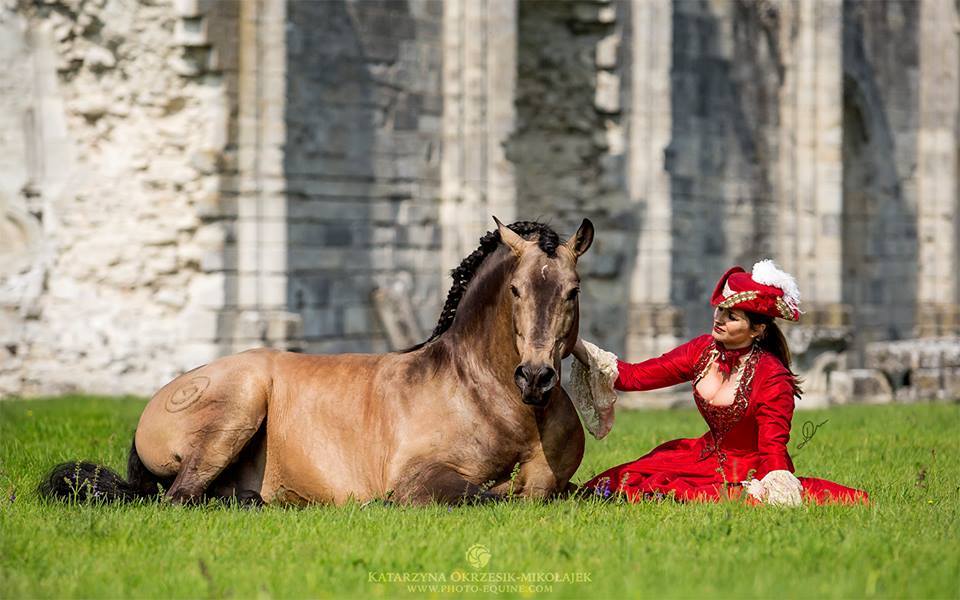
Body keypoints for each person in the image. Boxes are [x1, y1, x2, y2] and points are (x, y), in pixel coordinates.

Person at [570, 260, 869, 506]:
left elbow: (772, 447)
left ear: (757, 330)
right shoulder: (702, 350)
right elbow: (635, 377)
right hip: (699, 457)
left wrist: (776, 486)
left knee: (709, 497)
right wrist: (571, 341)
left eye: (732, 316)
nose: (720, 319)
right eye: (720, 310)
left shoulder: (772, 377)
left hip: (751, 471)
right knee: (620, 482)